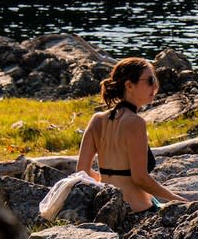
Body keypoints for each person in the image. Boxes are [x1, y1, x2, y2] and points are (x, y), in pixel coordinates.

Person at [77, 57, 186, 212]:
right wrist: (177, 200)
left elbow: (82, 171)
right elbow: (140, 178)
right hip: (138, 209)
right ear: (129, 85)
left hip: (108, 207)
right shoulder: (135, 122)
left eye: (155, 79)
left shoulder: (97, 120)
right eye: (150, 80)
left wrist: (107, 183)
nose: (155, 86)